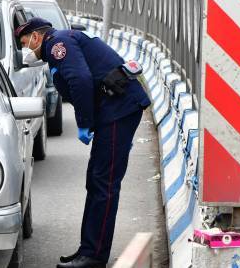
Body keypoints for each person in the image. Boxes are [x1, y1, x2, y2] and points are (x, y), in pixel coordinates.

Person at [15, 17, 151, 268]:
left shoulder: (58, 44)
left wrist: (84, 122)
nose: (26, 50)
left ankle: (94, 256)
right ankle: (87, 250)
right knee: (96, 181)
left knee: (104, 183)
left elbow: (80, 79)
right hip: (113, 112)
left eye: (25, 42)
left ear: (36, 36)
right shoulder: (61, 42)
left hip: (118, 111)